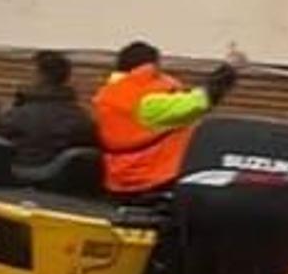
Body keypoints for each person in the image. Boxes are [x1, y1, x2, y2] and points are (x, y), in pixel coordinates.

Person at [92, 42, 238, 195]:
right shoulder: (146, 101)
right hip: (153, 177)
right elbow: (199, 101)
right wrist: (229, 69)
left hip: (121, 176)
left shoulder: (107, 95)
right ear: (149, 67)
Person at [0, 51, 96, 167]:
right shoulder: (79, 117)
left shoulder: (18, 113)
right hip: (62, 177)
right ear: (67, 78)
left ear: (39, 76)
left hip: (18, 170)